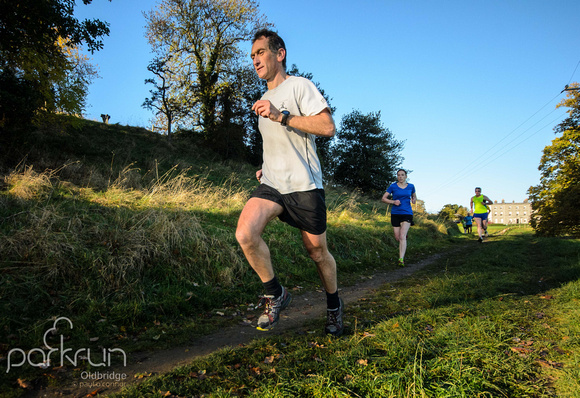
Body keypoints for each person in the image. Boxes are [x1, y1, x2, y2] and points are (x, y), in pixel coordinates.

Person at [235, 29, 343, 336]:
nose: (255, 60)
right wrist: (265, 166)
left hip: (304, 185)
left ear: (279, 54)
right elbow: (276, 144)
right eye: (252, 55)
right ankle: (275, 293)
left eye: (260, 53)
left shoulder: (300, 86)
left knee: (317, 252)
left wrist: (282, 116)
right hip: (272, 184)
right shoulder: (263, 101)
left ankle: (334, 306)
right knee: (245, 232)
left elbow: (327, 126)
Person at [381, 169, 417, 267]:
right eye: (398, 175)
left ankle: (401, 259)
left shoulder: (411, 186)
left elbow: (414, 196)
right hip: (395, 213)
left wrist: (414, 200)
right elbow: (383, 198)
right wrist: (393, 202)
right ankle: (403, 237)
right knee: (397, 237)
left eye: (402, 175)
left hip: (407, 213)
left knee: (402, 236)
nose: (400, 177)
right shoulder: (393, 186)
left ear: (406, 176)